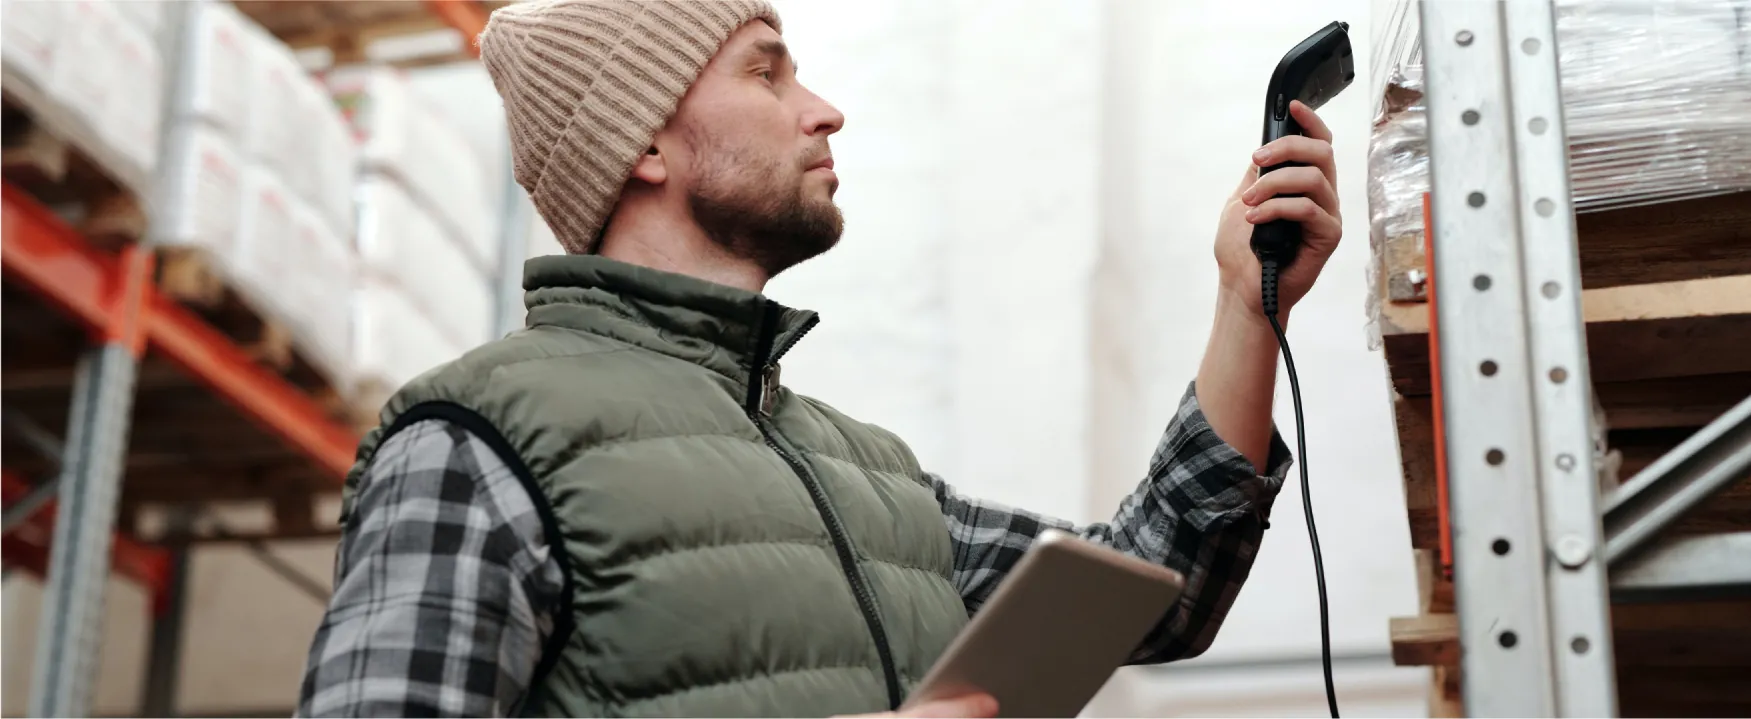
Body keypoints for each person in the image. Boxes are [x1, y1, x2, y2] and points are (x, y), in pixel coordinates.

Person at [295, 0, 1344, 716]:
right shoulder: (474, 442)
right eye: (766, 70)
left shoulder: (868, 474)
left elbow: (1155, 588)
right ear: (645, 147)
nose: (822, 107)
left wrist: (1246, 304)